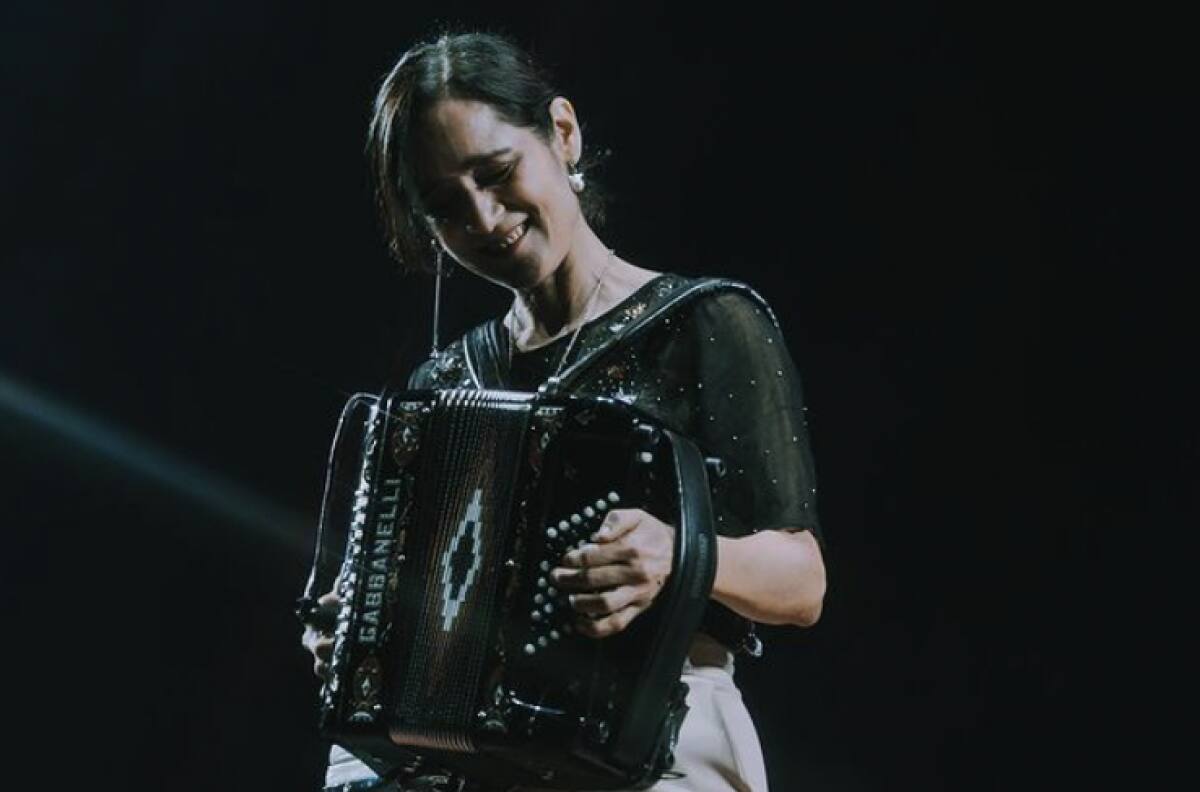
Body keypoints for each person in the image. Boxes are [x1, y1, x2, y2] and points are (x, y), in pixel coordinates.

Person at [301, 30, 826, 792]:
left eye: (497, 171)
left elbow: (803, 582)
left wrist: (681, 554)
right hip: (468, 767)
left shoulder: (706, 323)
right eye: (447, 208)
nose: (484, 218)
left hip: (656, 738)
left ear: (564, 134)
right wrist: (353, 634)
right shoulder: (446, 382)